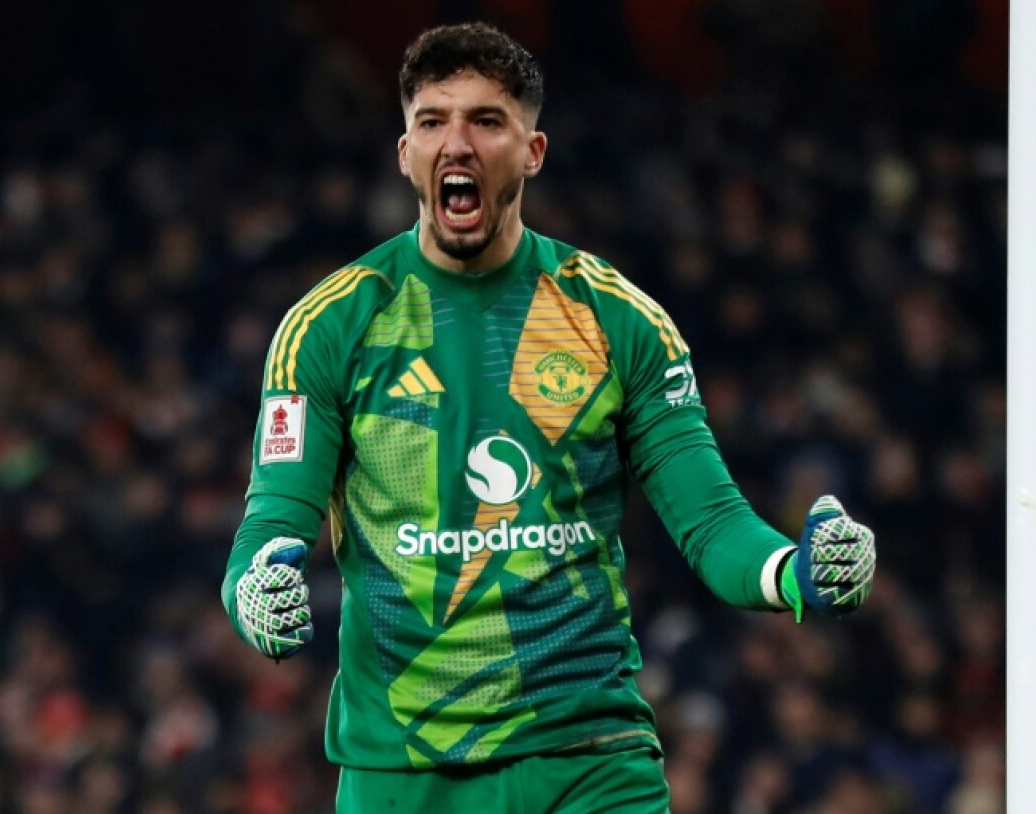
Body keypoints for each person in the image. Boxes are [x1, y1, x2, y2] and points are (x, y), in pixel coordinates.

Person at [221, 21, 877, 814]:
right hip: (405, 772)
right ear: (405, 155)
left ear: (532, 152)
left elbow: (710, 522)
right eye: (432, 121)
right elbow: (270, 530)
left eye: (485, 121)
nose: (455, 144)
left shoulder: (617, 319)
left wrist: (796, 573)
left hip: (588, 761)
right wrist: (259, 593)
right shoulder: (329, 327)